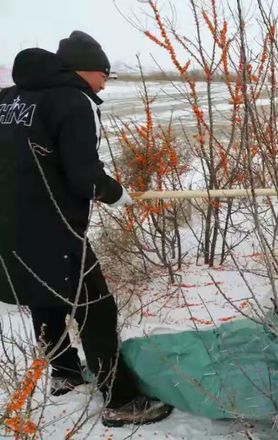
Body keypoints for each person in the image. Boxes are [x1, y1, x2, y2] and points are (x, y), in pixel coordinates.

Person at [0, 31, 172, 427]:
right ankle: (121, 399)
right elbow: (83, 176)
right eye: (103, 74)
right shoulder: (72, 100)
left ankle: (64, 372)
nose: (104, 83)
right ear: (85, 69)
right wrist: (117, 194)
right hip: (54, 226)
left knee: (45, 296)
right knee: (96, 308)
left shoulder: (10, 99)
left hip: (10, 226)